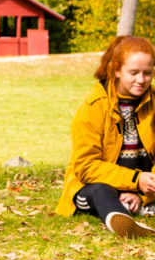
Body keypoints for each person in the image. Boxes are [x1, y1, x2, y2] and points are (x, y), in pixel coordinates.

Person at [56, 35, 155, 237]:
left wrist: (142, 193)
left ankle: (140, 206)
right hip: (98, 185)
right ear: (117, 70)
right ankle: (122, 220)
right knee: (100, 191)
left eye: (148, 73)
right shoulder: (94, 105)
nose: (141, 80)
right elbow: (86, 166)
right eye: (134, 73)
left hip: (144, 185)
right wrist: (136, 180)